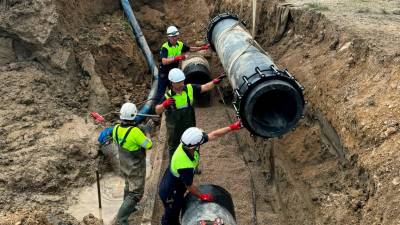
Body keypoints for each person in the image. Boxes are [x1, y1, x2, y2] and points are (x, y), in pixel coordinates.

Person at [158, 120, 242, 225]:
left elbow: (213, 134)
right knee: (172, 214)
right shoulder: (185, 164)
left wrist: (231, 127)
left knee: (174, 211)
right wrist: (201, 196)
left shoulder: (187, 144)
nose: (204, 138)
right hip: (171, 192)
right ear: (195, 145)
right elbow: (189, 186)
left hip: (175, 181)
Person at [155, 68, 226, 162]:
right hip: (174, 129)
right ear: (172, 83)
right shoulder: (167, 96)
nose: (181, 84)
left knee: (193, 143)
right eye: (178, 82)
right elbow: (157, 111)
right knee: (174, 146)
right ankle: (174, 166)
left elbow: (204, 87)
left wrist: (215, 81)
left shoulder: (189, 88)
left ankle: (193, 164)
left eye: (182, 81)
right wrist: (164, 104)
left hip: (189, 124)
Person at [112, 102, 153, 225]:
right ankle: (121, 220)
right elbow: (149, 145)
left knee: (128, 185)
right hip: (136, 166)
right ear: (134, 116)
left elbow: (118, 141)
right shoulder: (135, 132)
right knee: (136, 193)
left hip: (124, 164)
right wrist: (147, 132)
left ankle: (131, 208)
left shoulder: (116, 128)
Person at [156, 25, 209, 101]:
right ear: (168, 37)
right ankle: (157, 110)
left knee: (175, 93)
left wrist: (201, 48)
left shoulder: (180, 44)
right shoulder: (165, 47)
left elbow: (190, 49)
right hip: (164, 73)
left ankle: (174, 109)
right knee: (160, 94)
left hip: (174, 74)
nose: (175, 38)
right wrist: (176, 58)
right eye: (172, 36)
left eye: (176, 36)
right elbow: (164, 61)